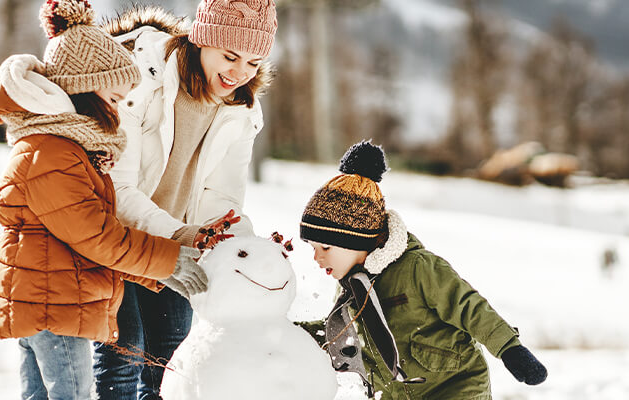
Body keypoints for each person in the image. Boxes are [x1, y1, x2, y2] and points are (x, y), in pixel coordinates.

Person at [0, 1, 233, 398]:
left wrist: (158, 270)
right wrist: (167, 259)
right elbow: (96, 235)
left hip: (50, 299)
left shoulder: (63, 149)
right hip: (52, 305)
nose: (115, 111)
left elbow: (94, 241)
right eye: (113, 99)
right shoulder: (52, 153)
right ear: (82, 87)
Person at [94, 1, 277, 398]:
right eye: (230, 57)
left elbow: (222, 196)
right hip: (116, 238)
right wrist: (182, 234)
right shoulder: (141, 78)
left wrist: (239, 245)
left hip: (175, 246)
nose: (239, 73)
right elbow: (118, 190)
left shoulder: (241, 109)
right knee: (123, 361)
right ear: (201, 40)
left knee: (172, 366)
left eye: (253, 62)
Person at [298, 141, 548, 399]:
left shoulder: (417, 269)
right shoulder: (350, 288)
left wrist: (510, 349)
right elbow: (339, 335)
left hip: (456, 387)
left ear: (357, 241)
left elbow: (469, 307)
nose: (317, 257)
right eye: (313, 247)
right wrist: (286, 334)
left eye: (326, 247)